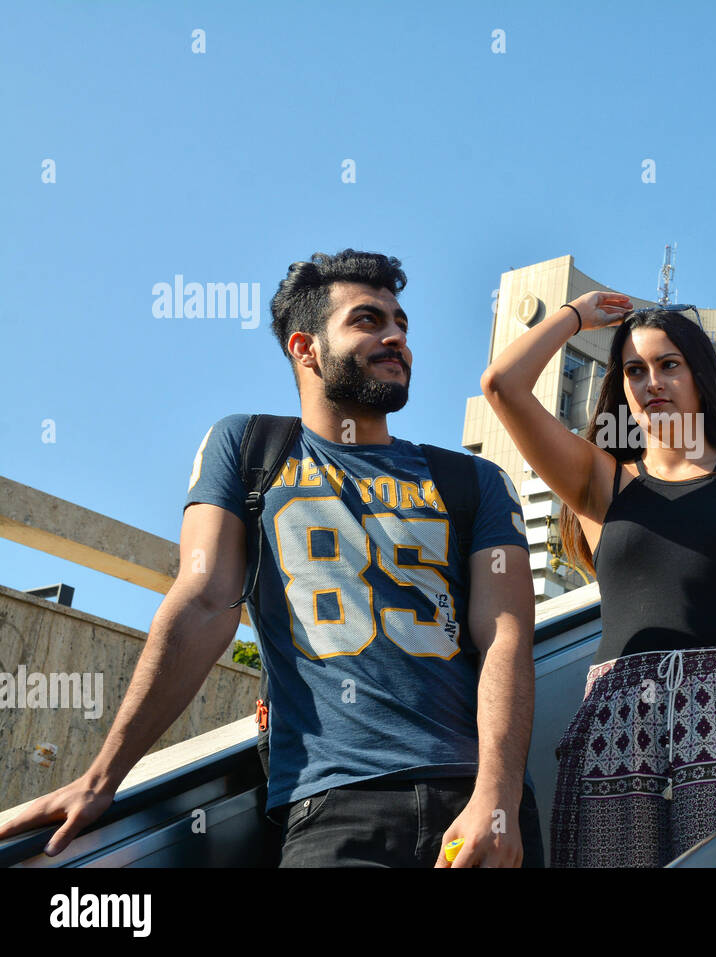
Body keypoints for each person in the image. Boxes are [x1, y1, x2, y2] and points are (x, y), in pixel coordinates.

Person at [0, 250, 542, 868]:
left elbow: (506, 636)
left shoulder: (476, 480)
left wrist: (496, 799)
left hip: (475, 796)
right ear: (304, 348)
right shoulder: (250, 446)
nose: (396, 337)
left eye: (402, 323)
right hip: (333, 806)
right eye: (368, 320)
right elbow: (204, 601)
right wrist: (100, 778)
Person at [480, 293, 716, 867]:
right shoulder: (599, 480)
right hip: (616, 729)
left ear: (699, 375)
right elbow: (502, 385)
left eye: (668, 365)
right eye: (634, 370)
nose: (651, 382)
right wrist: (575, 317)